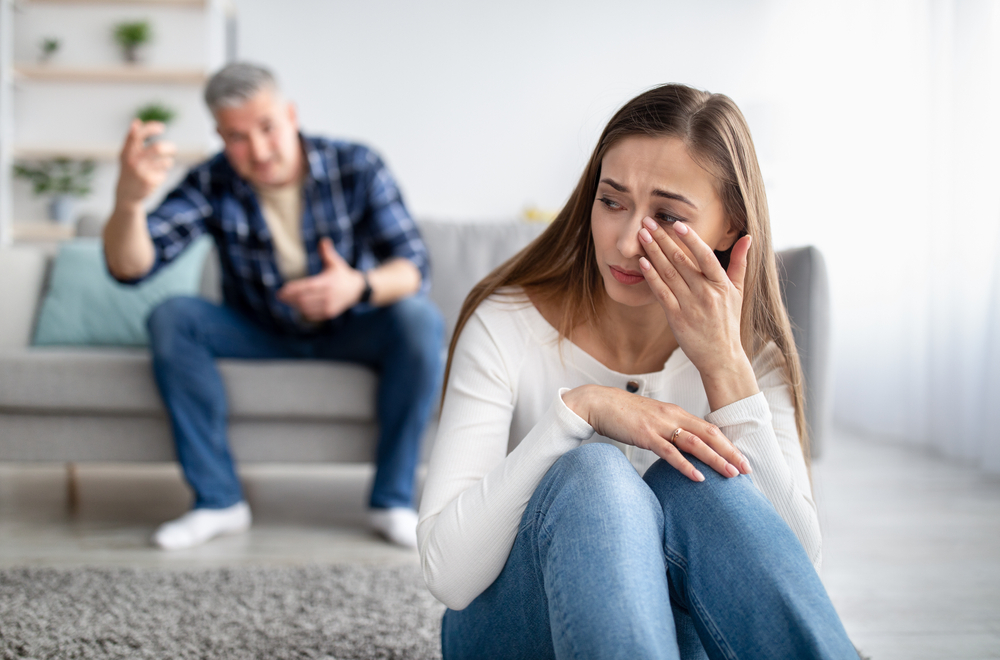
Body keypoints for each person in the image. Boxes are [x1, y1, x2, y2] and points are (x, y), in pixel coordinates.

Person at [417, 84, 859, 659]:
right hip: (516, 633)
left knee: (706, 482)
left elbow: (788, 580)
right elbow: (447, 574)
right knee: (595, 473)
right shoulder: (505, 325)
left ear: (730, 228)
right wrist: (579, 413)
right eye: (611, 201)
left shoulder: (752, 354)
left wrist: (726, 369)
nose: (626, 243)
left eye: (668, 215)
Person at [103, 62, 443, 551]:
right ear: (219, 135)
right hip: (257, 328)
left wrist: (358, 287)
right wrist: (129, 203)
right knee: (173, 317)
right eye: (237, 137)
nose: (258, 151)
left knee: (418, 318)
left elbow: (413, 266)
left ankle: (391, 500)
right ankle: (218, 502)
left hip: (351, 326)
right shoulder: (211, 182)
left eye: (267, 128)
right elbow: (130, 266)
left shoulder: (357, 164)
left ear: (290, 114)